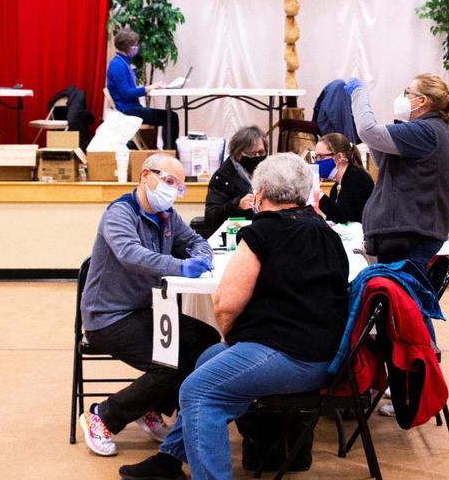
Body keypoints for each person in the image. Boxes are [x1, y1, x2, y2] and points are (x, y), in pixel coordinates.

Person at [118, 153, 350, 480]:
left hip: (292, 355)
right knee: (206, 359)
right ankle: (170, 460)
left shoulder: (263, 231)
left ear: (262, 190)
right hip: (321, 352)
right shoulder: (324, 231)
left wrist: (232, 336)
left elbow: (226, 305)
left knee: (198, 391)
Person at [78, 153, 221, 457]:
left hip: (146, 310)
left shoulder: (167, 215)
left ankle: (150, 407)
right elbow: (132, 255)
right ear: (146, 175)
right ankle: (102, 416)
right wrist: (180, 266)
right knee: (171, 365)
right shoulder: (120, 213)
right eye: (168, 181)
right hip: (108, 317)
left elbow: (196, 240)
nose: (172, 191)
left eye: (179, 187)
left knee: (207, 341)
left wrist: (202, 255)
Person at [346, 73, 449, 268]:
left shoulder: (427, 131)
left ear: (422, 101)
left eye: (408, 92)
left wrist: (359, 93)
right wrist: (388, 131)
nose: (403, 97)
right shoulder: (426, 130)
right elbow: (385, 164)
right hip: (405, 235)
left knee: (401, 295)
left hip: (409, 236)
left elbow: (367, 131)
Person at [106, 27, 181, 148]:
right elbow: (127, 93)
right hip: (128, 110)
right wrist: (148, 88)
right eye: (135, 45)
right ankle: (170, 153)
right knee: (171, 117)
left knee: (170, 116)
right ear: (127, 46)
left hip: (131, 108)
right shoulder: (118, 65)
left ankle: (169, 150)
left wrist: (149, 88)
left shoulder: (121, 62)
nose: (137, 48)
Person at [203, 126, 266, 232]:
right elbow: (211, 217)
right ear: (237, 153)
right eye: (251, 153)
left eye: (261, 152)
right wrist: (237, 205)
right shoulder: (222, 177)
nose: (257, 156)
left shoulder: (269, 172)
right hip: (236, 234)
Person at [315, 132, 375, 224]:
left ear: (339, 157)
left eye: (320, 156)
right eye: (315, 157)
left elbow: (343, 216)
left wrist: (316, 192)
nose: (316, 162)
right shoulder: (336, 187)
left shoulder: (357, 177)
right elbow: (333, 219)